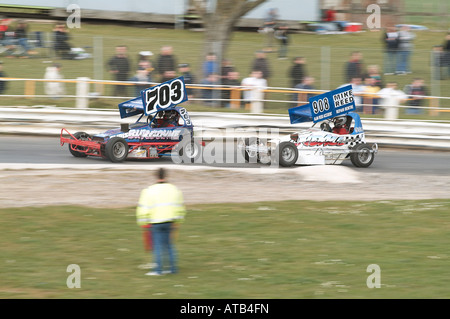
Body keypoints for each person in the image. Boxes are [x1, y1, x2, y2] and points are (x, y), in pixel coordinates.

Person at [136, 168, 186, 276]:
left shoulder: (149, 190)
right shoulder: (175, 190)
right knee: (169, 245)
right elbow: (180, 208)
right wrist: (178, 221)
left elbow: (143, 208)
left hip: (156, 222)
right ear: (166, 176)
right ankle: (172, 269)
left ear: (156, 176)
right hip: (170, 221)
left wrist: (143, 222)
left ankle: (158, 270)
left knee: (158, 246)